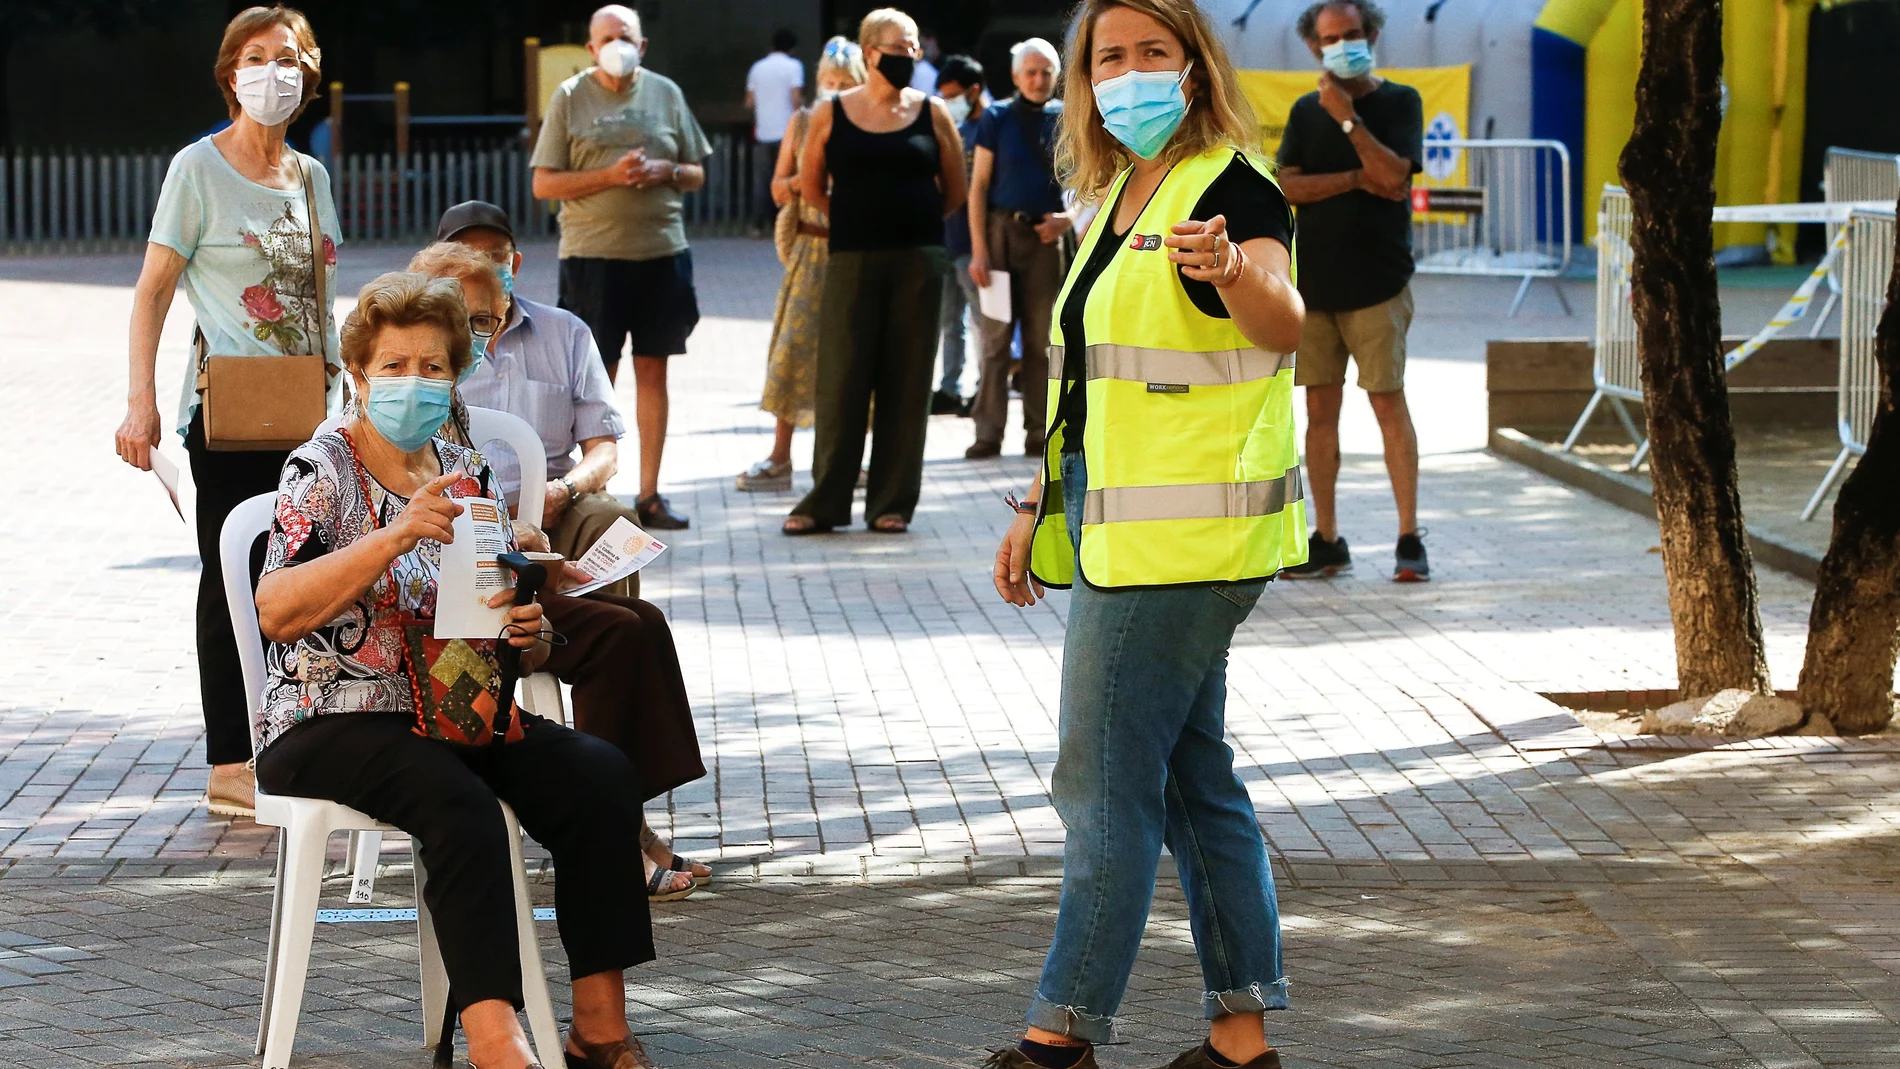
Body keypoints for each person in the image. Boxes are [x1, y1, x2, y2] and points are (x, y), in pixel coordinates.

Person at [991, 1, 1304, 1066]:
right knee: (1189, 779)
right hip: (1128, 540)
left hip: (1185, 549)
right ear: (1083, 77)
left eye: (1149, 53)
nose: (1126, 72)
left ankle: (1058, 1036)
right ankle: (1240, 1038)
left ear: (1192, 65)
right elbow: (1090, 383)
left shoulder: (1228, 187)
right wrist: (1038, 506)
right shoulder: (1118, 191)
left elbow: (1283, 321)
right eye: (1107, 56)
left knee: (1101, 786)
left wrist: (1229, 273)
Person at [253, 271, 665, 1069]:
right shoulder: (321, 466)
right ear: (358, 375)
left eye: (433, 367)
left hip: (452, 708)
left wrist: (528, 626)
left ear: (456, 376)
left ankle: (597, 1028)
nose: (414, 381)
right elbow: (277, 608)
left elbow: (488, 622)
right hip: (327, 716)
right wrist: (395, 534)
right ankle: (494, 1040)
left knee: (600, 775)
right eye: (395, 365)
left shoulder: (462, 465)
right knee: (460, 803)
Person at [419, 207, 712, 899]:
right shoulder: (409, 386)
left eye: (487, 322)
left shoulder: (550, 340)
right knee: (615, 632)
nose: (479, 339)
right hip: (435, 612)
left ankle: (622, 820)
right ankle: (618, 840)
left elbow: (491, 495)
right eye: (470, 321)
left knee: (637, 625)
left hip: (507, 562)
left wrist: (530, 546)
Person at [112, 4, 340, 820]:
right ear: (229, 73)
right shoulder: (196, 169)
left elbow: (321, 295)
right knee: (232, 574)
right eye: (253, 55)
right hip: (231, 410)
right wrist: (140, 402)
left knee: (308, 572)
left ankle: (296, 737)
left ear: (307, 75)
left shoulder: (311, 176)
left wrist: (344, 389)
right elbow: (153, 292)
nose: (269, 70)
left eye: (285, 56)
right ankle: (229, 762)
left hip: (310, 410)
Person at [781, 8, 967, 536]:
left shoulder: (932, 112)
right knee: (841, 377)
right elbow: (810, 183)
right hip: (851, 258)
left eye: (913, 48)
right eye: (896, 47)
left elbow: (953, 187)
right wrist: (852, 218)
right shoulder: (831, 111)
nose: (908, 56)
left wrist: (914, 221)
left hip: (918, 260)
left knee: (908, 380)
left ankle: (892, 502)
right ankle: (825, 502)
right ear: (868, 52)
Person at [531, 3, 712, 532]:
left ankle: (651, 494)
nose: (617, 44)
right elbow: (544, 183)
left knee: (654, 372)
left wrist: (668, 169)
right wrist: (610, 175)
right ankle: (598, 495)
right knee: (597, 379)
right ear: (590, 48)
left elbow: (698, 171)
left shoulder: (666, 93)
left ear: (643, 44)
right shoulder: (569, 97)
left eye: (626, 36)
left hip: (661, 253)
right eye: (606, 37)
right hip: (592, 258)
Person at [1275, 0, 1427, 582]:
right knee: (1319, 412)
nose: (1343, 45)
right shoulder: (1302, 111)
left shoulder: (1399, 101)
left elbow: (1396, 175)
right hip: (1312, 287)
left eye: (1354, 34)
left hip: (1378, 284)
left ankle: (1409, 537)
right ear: (1315, 47)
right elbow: (1288, 186)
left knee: (1388, 403)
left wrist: (1347, 120)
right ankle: (1327, 538)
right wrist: (1358, 178)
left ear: (1372, 35)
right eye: (1332, 37)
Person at [738, 38, 869, 492]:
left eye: (846, 83)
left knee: (857, 353)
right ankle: (780, 456)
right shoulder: (802, 121)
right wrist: (805, 178)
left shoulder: (870, 123)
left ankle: (853, 458)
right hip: (811, 252)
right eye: (829, 82)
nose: (836, 90)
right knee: (793, 348)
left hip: (857, 248)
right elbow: (778, 188)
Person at [965, 37, 1070, 460]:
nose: (1038, 79)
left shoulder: (1067, 118)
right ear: (1015, 76)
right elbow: (978, 187)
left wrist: (1065, 221)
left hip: (1048, 239)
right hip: (1000, 235)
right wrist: (978, 250)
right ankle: (987, 432)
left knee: (1043, 341)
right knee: (995, 340)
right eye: (1030, 71)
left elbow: (1084, 181)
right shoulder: (995, 118)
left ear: (1057, 77)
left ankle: (1039, 431)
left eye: (1046, 72)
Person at [931, 54, 987, 417]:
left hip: (975, 246)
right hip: (948, 241)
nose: (948, 103)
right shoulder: (954, 129)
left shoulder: (991, 126)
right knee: (950, 321)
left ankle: (985, 388)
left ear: (974, 91)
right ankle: (949, 387)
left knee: (985, 325)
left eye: (953, 95)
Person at [746, 28, 805, 235]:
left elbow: (749, 101)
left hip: (763, 132)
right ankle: (785, 225)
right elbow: (796, 99)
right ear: (792, 48)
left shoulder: (757, 68)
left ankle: (757, 226)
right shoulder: (794, 67)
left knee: (762, 181)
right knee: (788, 180)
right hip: (787, 133)